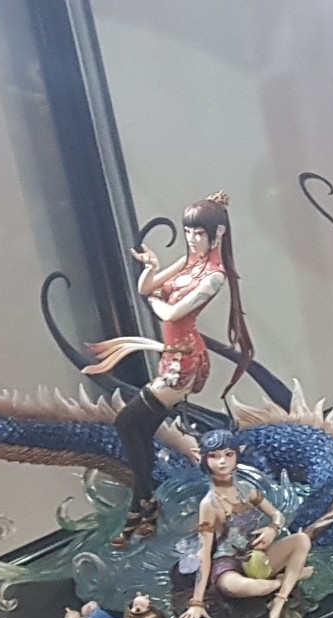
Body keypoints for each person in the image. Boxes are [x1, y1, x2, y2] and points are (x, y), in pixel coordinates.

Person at [85, 193, 256, 548]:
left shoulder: (214, 276)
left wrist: (154, 301)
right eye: (188, 231)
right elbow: (146, 288)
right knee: (141, 430)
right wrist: (151, 268)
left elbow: (171, 313)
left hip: (184, 361)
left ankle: (143, 505)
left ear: (218, 233)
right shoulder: (189, 263)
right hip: (171, 356)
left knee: (126, 423)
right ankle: (145, 506)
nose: (192, 238)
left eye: (199, 233)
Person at [181, 430, 314, 618]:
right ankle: (288, 578)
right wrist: (197, 602)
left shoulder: (247, 489)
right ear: (202, 458)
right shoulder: (209, 504)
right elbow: (204, 553)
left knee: (302, 540)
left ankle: (279, 600)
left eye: (228, 454)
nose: (222, 462)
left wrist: (272, 529)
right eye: (214, 456)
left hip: (256, 556)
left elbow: (277, 515)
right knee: (248, 587)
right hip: (226, 566)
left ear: (238, 454)